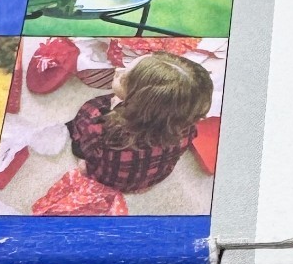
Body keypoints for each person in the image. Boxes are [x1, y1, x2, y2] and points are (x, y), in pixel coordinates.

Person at [66, 51, 214, 194]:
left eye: (123, 77)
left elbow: (87, 147)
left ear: (137, 101)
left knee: (80, 140)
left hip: (111, 180)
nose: (118, 70)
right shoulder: (184, 125)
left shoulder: (97, 121)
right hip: (153, 177)